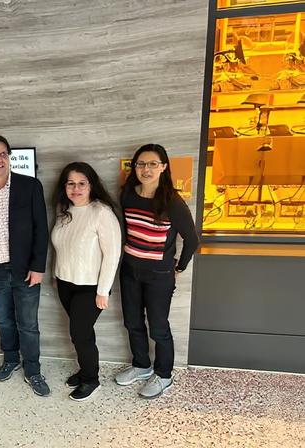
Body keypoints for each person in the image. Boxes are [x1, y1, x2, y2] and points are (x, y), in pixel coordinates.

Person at [0, 136, 50, 396]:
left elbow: (41, 230)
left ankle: (33, 370)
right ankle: (11, 359)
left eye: (3, 154)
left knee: (28, 323)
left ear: (10, 158)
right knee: (3, 319)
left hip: (25, 270)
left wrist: (38, 267)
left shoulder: (30, 186)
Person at [115, 144, 199, 399]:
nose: (146, 169)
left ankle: (164, 375)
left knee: (159, 327)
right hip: (129, 270)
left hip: (159, 276)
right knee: (132, 322)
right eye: (141, 164)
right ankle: (141, 365)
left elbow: (192, 240)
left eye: (153, 164)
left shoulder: (172, 201)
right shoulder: (127, 194)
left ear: (163, 167)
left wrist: (180, 266)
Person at [50, 162, 122, 401]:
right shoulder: (64, 212)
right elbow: (62, 248)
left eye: (82, 183)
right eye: (70, 183)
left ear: (91, 185)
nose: (76, 188)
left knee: (79, 333)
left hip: (91, 286)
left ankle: (92, 380)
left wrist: (103, 291)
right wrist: (55, 274)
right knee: (81, 333)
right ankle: (85, 371)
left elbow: (112, 254)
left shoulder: (101, 212)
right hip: (65, 283)